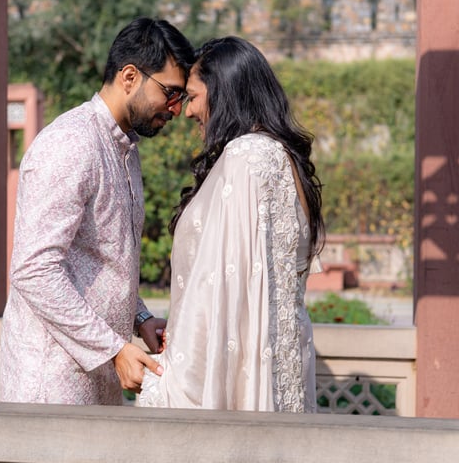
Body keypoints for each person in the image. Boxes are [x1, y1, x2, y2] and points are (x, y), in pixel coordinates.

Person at [0, 17, 196, 405]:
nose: (176, 109)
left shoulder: (125, 149)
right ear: (129, 77)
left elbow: (103, 263)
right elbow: (34, 270)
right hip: (51, 382)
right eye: (170, 93)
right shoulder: (70, 143)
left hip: (97, 377)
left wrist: (141, 319)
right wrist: (113, 348)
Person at [136, 36, 325, 412]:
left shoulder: (246, 157)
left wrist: (169, 380)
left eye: (193, 97)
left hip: (244, 387)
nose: (187, 111)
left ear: (224, 92)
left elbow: (219, 292)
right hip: (283, 382)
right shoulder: (284, 157)